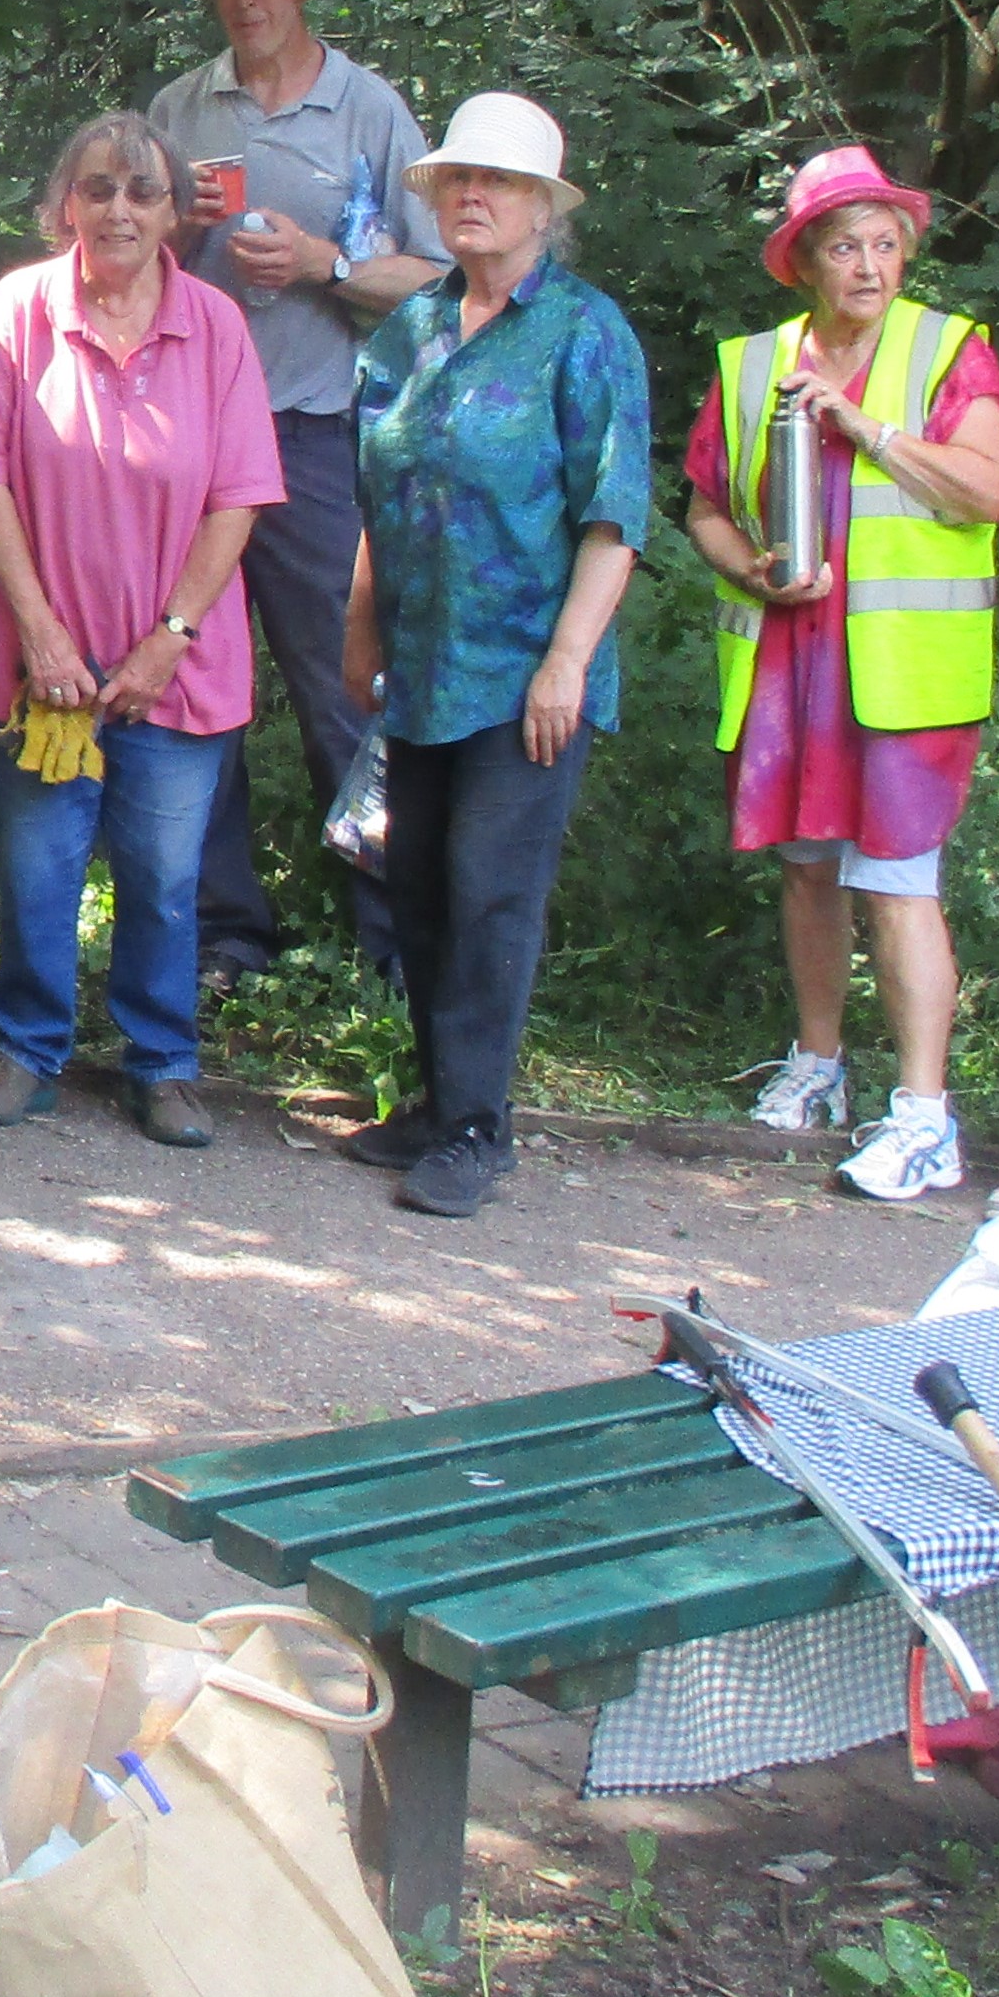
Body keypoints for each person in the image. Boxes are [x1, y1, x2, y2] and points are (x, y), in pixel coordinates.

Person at [0, 114, 289, 1146]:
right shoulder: (19, 311)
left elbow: (240, 493)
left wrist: (169, 635)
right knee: (39, 869)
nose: (119, 209)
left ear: (175, 212)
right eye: (99, 190)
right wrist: (42, 636)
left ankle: (163, 1063)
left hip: (173, 663)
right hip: (33, 665)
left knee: (166, 881)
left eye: (142, 191)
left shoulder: (216, 323)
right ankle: (26, 1050)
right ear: (66, 208)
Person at [677, 148, 999, 1203]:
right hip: (791, 664)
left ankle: (924, 1115)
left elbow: (988, 491)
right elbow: (701, 505)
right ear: (803, 261)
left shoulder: (949, 352)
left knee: (898, 884)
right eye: (843, 246)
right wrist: (750, 569)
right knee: (805, 869)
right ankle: (818, 1066)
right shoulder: (750, 363)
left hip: (903, 669)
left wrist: (861, 423)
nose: (867, 267)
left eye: (883, 244)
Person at [337, 93, 647, 1218]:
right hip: (422, 661)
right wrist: (358, 623)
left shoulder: (585, 332)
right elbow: (378, 490)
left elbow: (613, 516)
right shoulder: (409, 329)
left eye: (500, 183)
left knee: (487, 894)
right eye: (459, 179)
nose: (474, 196)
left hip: (526, 675)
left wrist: (568, 658)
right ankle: (433, 1102)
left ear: (540, 210)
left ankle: (478, 1127)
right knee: (414, 885)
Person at [139, 0, 446, 986]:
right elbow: (119, 256)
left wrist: (326, 266)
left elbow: (443, 284)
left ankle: (389, 943)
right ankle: (223, 935)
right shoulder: (178, 112)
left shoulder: (368, 112)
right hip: (186, 441)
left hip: (318, 436)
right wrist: (165, 235)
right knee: (187, 682)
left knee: (342, 684)